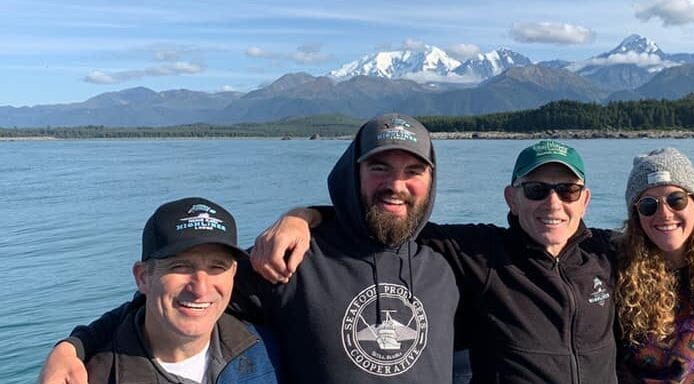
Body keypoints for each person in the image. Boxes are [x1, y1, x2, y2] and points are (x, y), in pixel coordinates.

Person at [251, 140, 694, 383]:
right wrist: (303, 217)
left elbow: (666, 228)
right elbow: (394, 219)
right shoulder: (478, 252)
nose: (553, 204)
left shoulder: (608, 253)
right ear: (511, 198)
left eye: (567, 190)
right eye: (537, 190)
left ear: (585, 200)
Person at [39, 113, 460, 384]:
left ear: (431, 179)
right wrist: (73, 346)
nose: (396, 184)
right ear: (353, 174)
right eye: (379, 167)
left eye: (413, 170)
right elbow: (163, 299)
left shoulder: (454, 259)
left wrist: (304, 213)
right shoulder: (294, 261)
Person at [41, 197, 280, 384]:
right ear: (143, 277)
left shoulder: (268, 348)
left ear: (234, 273)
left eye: (217, 267)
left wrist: (301, 216)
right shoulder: (94, 376)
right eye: (181, 266)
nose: (201, 288)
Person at [616, 148, 694, 383]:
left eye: (676, 200)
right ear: (636, 216)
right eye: (648, 205)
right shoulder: (617, 273)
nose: (664, 213)